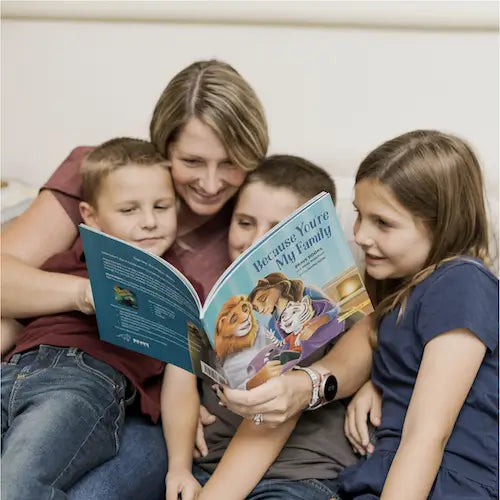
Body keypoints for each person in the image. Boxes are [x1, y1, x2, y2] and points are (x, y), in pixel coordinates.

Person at [1, 59, 269, 499]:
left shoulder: (254, 217)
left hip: (144, 404)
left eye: (232, 163)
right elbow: (8, 285)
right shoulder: (107, 173)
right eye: (191, 161)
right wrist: (90, 295)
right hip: (40, 364)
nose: (210, 182)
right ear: (163, 148)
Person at [219, 130, 499, 499]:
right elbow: (347, 360)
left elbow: (428, 435)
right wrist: (309, 388)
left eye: (383, 223)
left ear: (442, 223)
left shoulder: (462, 281)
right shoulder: (399, 293)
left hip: (444, 480)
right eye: (359, 216)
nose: (362, 236)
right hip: (384, 473)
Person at [163, 154, 359, 500]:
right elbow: (178, 378)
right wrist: (178, 464)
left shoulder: (319, 304)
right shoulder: (213, 302)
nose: (255, 240)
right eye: (245, 222)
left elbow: (274, 420)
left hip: (296, 475)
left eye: (276, 231)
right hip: (208, 469)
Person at [1, 138, 182, 498]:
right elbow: (14, 318)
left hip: (84, 381)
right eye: (129, 210)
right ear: (91, 217)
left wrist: (179, 464)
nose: (149, 222)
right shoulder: (60, 265)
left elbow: (181, 379)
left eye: (162, 206)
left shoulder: (173, 287)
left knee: (17, 482)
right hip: (12, 369)